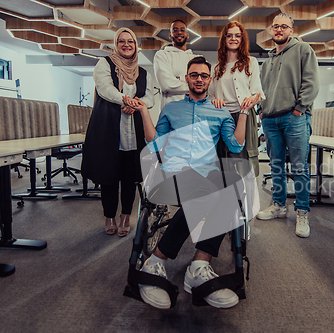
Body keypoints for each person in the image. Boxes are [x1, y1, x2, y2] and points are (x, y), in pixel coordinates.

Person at [127, 56, 249, 310]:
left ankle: (199, 265)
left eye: (204, 76)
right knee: (210, 190)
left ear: (209, 79)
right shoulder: (171, 109)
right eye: (194, 75)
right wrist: (143, 112)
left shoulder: (219, 110)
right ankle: (157, 260)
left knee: (230, 185)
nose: (199, 79)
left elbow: (236, 144)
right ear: (187, 78)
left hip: (207, 173)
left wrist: (244, 113)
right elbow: (154, 142)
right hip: (175, 171)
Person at [81, 28, 155, 237]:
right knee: (109, 176)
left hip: (133, 131)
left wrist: (137, 104)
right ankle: (109, 216)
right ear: (116, 43)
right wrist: (125, 99)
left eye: (130, 41)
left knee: (130, 177)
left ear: (135, 45)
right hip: (108, 129)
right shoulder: (104, 64)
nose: (126, 44)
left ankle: (125, 216)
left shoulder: (143, 72)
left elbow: (150, 98)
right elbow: (105, 88)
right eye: (121, 41)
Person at [256, 13, 320, 238]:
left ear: (292, 30)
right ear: (271, 31)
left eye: (284, 26)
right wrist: (261, 112)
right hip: (270, 119)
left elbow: (311, 82)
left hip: (294, 118)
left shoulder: (303, 50)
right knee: (275, 166)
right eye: (275, 27)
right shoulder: (268, 60)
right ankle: (279, 206)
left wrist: (300, 108)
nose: (279, 30)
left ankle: (302, 211)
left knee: (299, 168)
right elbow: (262, 90)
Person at [209, 21, 264, 177]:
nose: (233, 39)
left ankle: (248, 196)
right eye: (230, 35)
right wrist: (215, 100)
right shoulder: (216, 67)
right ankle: (229, 196)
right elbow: (211, 95)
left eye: (237, 36)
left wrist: (253, 98)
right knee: (226, 159)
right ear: (224, 39)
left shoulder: (251, 62)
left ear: (242, 39)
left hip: (245, 115)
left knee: (246, 159)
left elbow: (258, 93)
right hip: (223, 117)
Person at [154, 19, 197, 110]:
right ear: (170, 35)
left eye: (182, 30)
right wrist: (193, 86)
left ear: (187, 34)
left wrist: (177, 79)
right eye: (175, 30)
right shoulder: (162, 55)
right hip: (170, 111)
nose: (179, 32)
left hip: (193, 110)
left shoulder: (196, 58)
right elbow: (167, 85)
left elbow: (204, 85)